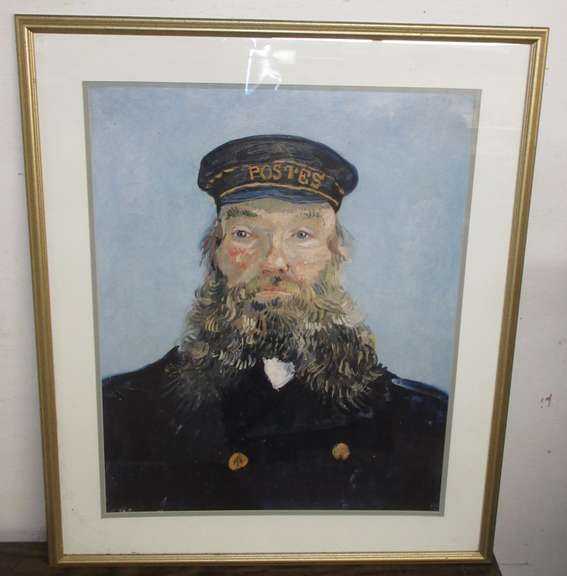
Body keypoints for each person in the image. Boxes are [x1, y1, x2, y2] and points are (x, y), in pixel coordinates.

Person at [102, 135, 448, 512]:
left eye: (302, 235)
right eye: (245, 234)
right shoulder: (123, 413)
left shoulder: (421, 421)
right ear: (215, 252)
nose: (274, 262)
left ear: (334, 256)